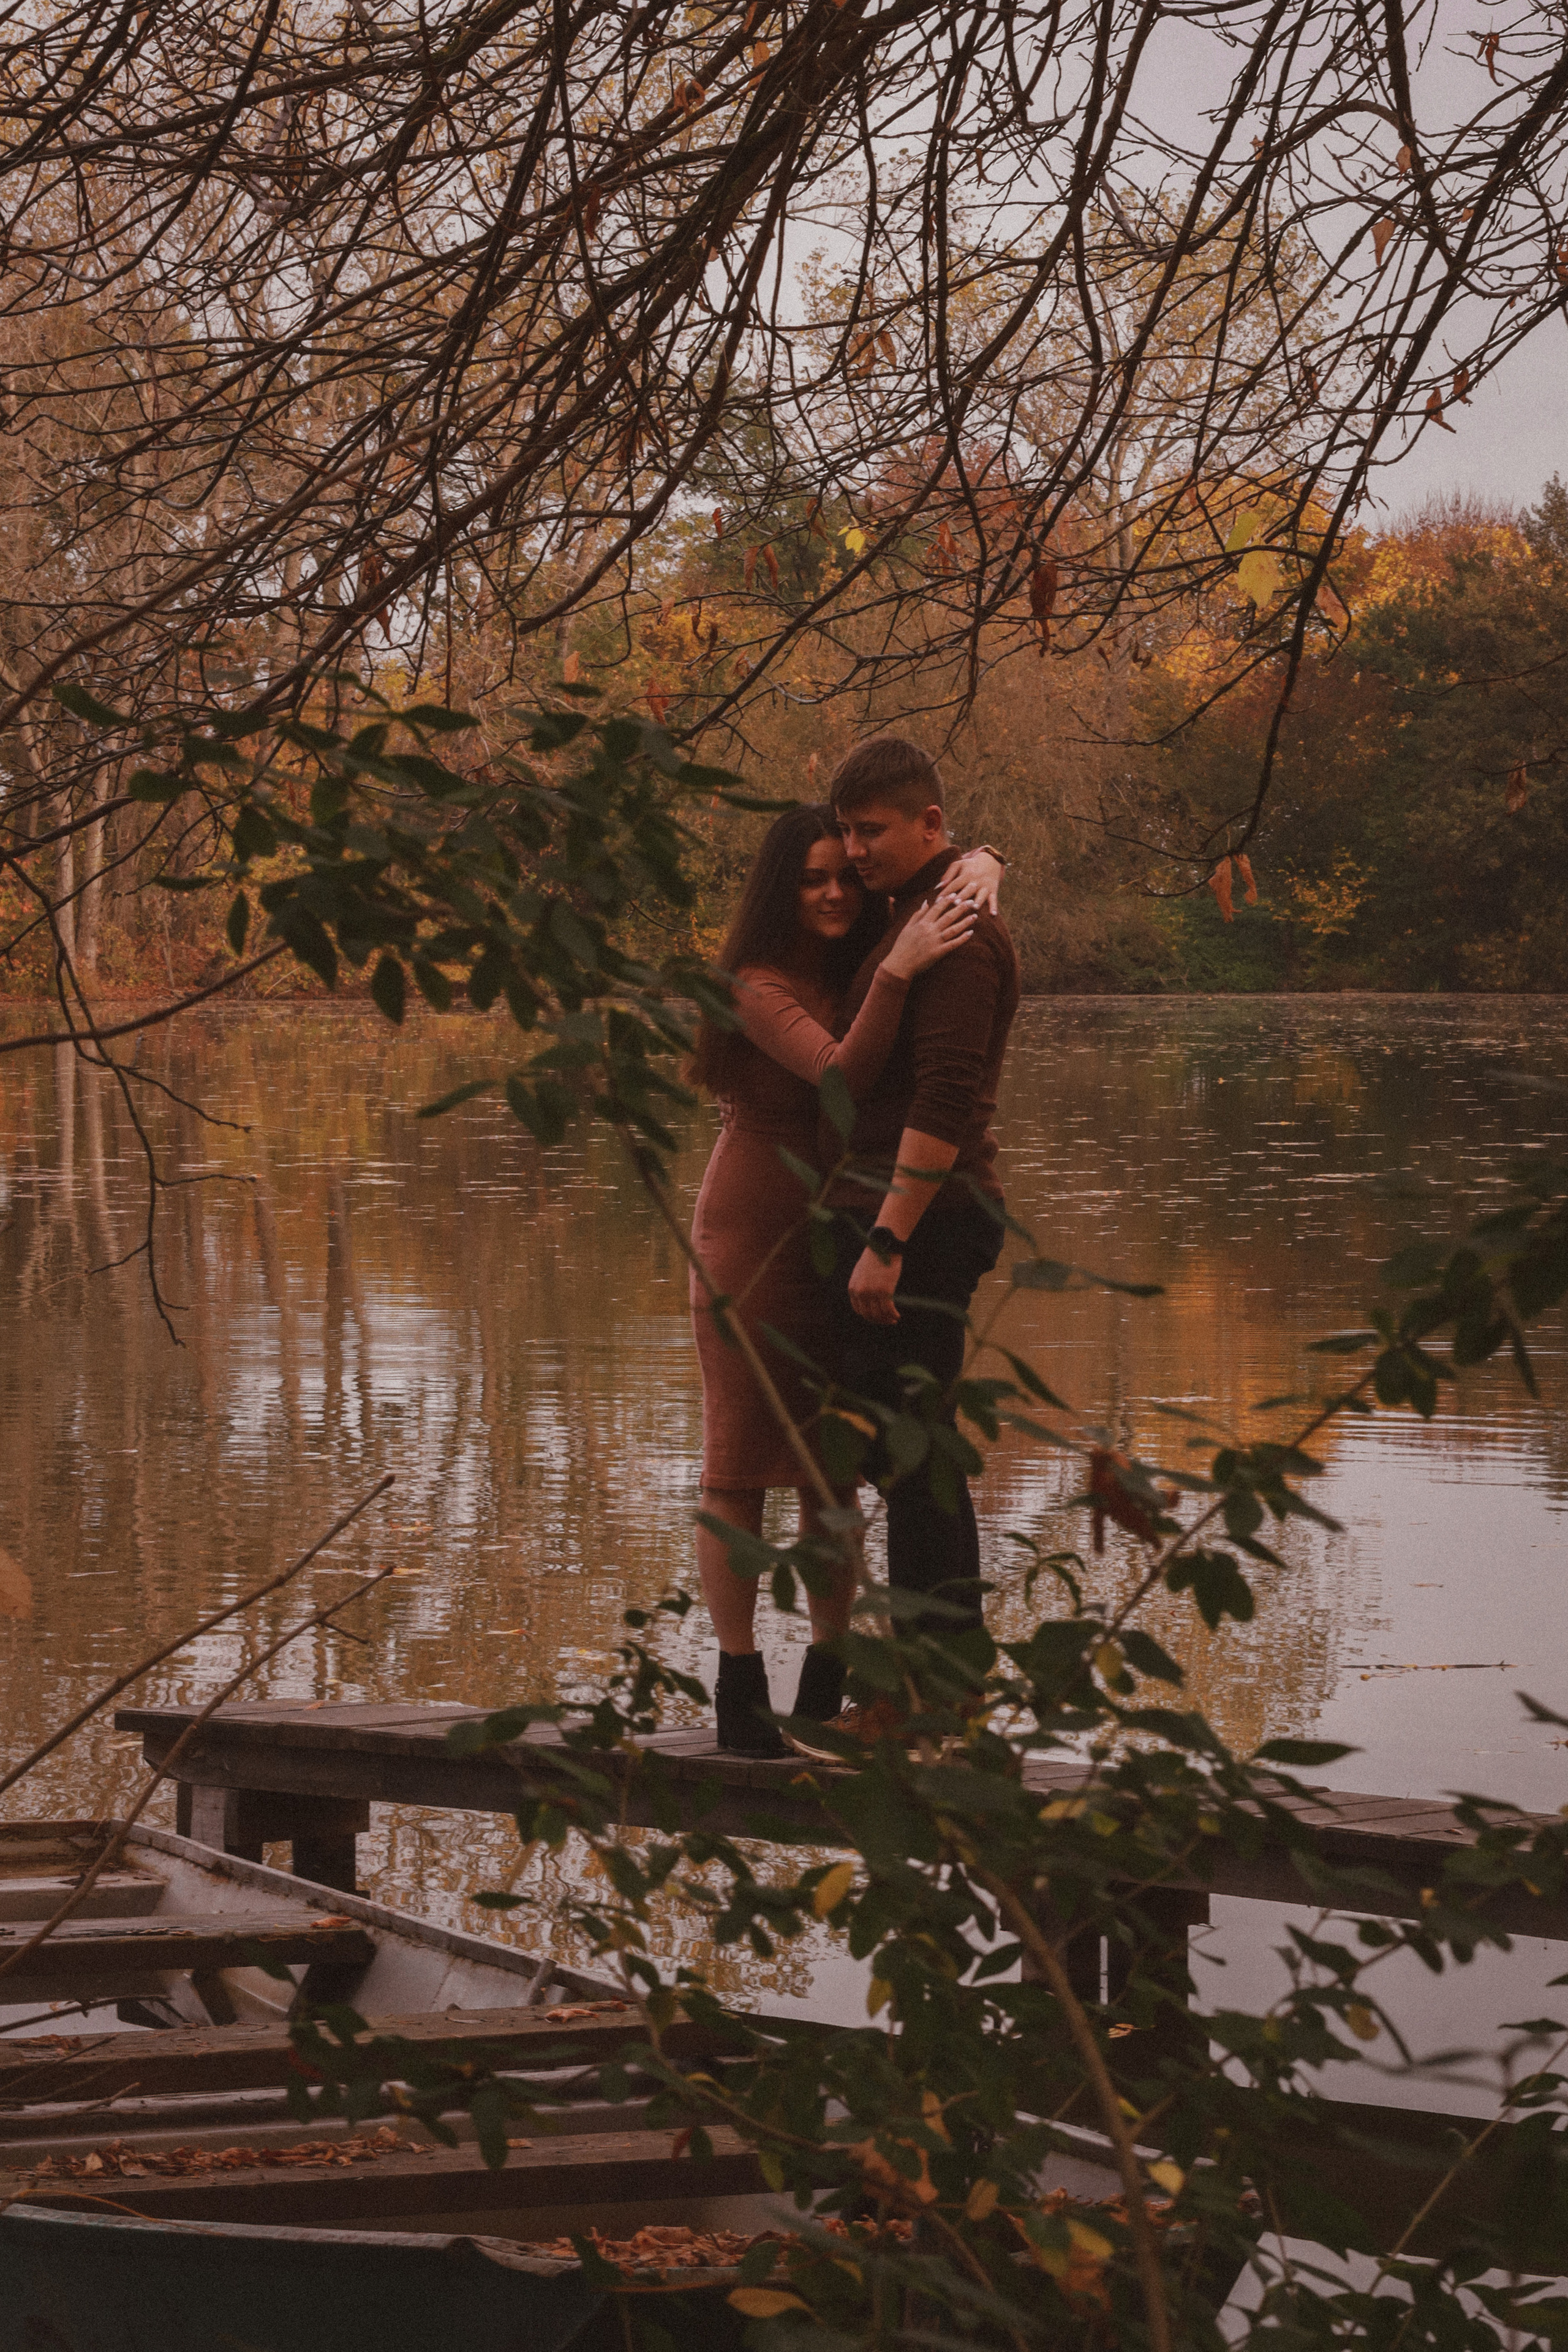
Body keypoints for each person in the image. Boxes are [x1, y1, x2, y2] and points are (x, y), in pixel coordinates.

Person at [686, 805, 1003, 1754]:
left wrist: (987, 860)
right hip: (755, 1233)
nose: (833, 892)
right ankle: (740, 1685)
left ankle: (832, 1678)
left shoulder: (855, 961)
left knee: (835, 1470)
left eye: (843, 876)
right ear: (778, 893)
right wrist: (901, 970)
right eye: (811, 880)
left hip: (841, 1233)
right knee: (740, 1465)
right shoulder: (758, 981)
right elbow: (836, 1075)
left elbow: (932, 846)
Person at [819, 736, 1021, 1677]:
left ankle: (939, 1694)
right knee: (899, 1456)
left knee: (914, 1462)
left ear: (928, 822)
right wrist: (987, 855)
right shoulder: (920, 909)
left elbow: (943, 1099)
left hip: (926, 1219)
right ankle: (936, 1686)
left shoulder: (961, 934)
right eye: (846, 832)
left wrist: (889, 1238)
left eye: (874, 831)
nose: (856, 851)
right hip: (890, 1214)